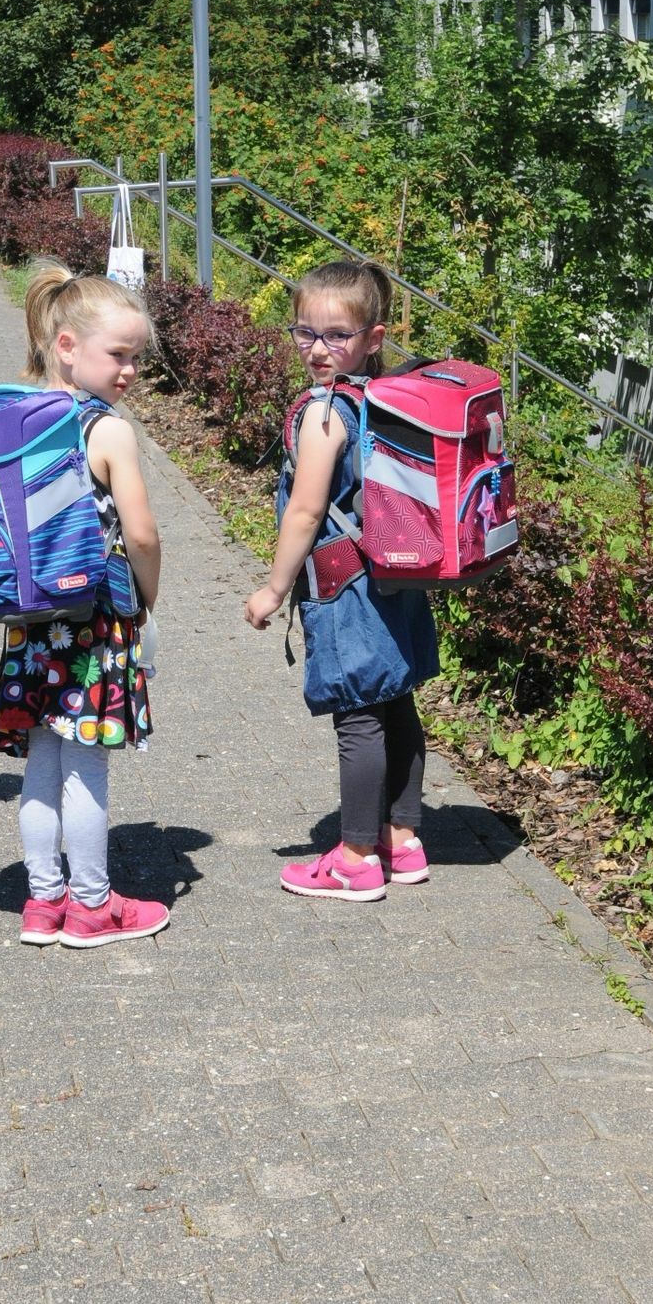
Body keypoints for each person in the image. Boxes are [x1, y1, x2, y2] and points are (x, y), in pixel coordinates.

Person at [0, 265, 168, 949]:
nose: (129, 371)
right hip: (94, 626)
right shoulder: (107, 430)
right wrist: (147, 598)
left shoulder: (17, 418)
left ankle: (42, 902)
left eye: (135, 357)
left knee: (40, 763)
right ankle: (92, 905)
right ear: (66, 345)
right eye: (118, 355)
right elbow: (141, 535)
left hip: (31, 627)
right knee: (86, 763)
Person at [244, 261, 439, 900]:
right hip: (396, 576)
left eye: (336, 335)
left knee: (359, 714)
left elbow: (305, 512)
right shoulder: (382, 398)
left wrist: (274, 588)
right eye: (305, 332)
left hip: (346, 587)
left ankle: (355, 858)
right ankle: (402, 842)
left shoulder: (324, 413)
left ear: (373, 337)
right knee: (396, 701)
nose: (318, 349)